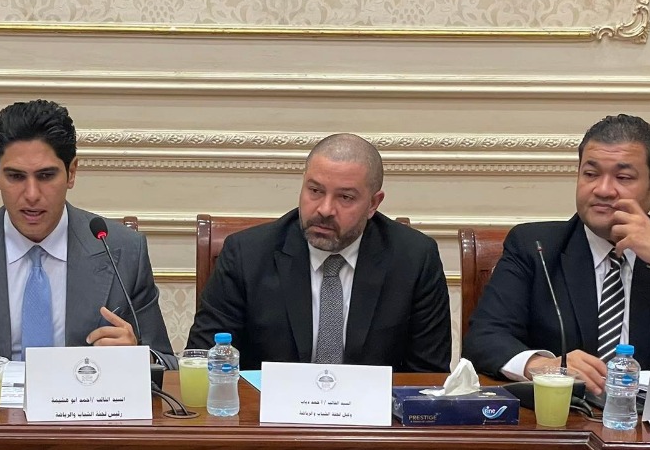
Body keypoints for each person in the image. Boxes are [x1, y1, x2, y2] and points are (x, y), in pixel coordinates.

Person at [463, 114, 650, 394]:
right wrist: (542, 366)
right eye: (590, 174)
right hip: (562, 419)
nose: (603, 190)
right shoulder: (535, 247)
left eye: (623, 177)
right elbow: (483, 340)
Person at [0, 99, 174, 368]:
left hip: (83, 403)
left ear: (72, 173)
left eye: (46, 176)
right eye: (15, 176)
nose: (32, 194)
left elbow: (166, 363)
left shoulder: (123, 252)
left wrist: (138, 357)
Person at [186, 133, 451, 371]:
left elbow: (427, 378)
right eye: (315, 191)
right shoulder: (247, 255)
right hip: (267, 409)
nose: (324, 209)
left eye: (345, 197)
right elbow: (206, 360)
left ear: (373, 204)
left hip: (375, 411)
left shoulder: (414, 260)